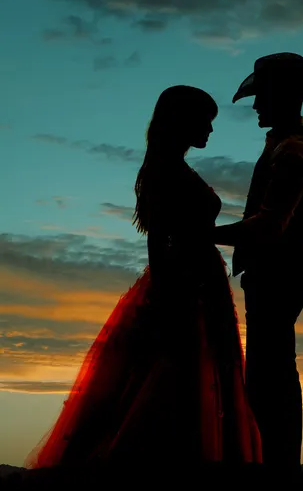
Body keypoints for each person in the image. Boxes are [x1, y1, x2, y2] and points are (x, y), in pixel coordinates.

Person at [24, 85, 261, 472]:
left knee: (194, 383)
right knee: (174, 383)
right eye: (206, 122)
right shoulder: (166, 170)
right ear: (183, 122)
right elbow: (159, 239)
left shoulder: (172, 167)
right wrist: (171, 297)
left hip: (197, 283)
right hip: (185, 286)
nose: (211, 131)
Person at [213, 53, 303, 482]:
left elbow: (269, 225)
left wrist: (202, 234)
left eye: (262, 97)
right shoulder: (285, 145)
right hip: (273, 276)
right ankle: (270, 464)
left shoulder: (296, 149)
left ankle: (276, 468)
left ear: (282, 97)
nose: (255, 105)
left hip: (277, 277)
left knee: (272, 376)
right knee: (268, 373)